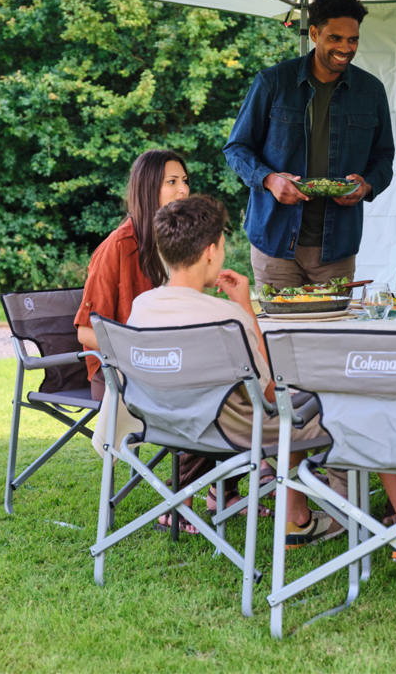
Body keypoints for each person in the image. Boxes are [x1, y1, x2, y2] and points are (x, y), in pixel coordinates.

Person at [125, 194, 344, 548]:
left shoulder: (141, 306)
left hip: (161, 422)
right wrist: (244, 307)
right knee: (333, 406)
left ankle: (300, 516)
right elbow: (271, 394)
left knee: (295, 405)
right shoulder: (227, 318)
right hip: (234, 431)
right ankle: (367, 519)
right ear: (211, 251)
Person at [78, 149, 223, 532]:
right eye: (171, 182)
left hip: (175, 362)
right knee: (200, 392)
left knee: (227, 382)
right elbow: (84, 331)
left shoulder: (181, 242)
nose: (182, 190)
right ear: (147, 189)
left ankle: (221, 490)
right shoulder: (117, 247)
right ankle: (181, 501)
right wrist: (139, 351)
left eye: (185, 181)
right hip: (120, 373)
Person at [224, 0, 394, 289]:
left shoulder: (372, 91)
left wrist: (366, 186)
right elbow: (236, 148)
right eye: (335, 38)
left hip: (337, 248)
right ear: (314, 33)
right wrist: (270, 180)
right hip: (275, 242)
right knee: (279, 333)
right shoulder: (273, 82)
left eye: (352, 39)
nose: (346, 48)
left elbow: (384, 158)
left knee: (331, 335)